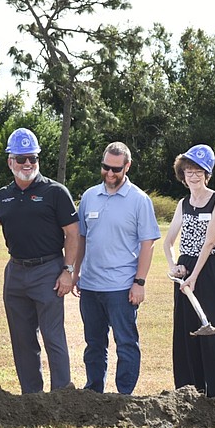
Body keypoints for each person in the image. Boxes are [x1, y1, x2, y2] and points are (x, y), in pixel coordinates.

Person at [0, 128, 77, 394]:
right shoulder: (3, 195)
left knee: (52, 336)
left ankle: (61, 396)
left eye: (32, 158)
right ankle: (31, 397)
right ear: (10, 161)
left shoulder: (55, 192)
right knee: (22, 340)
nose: (27, 164)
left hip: (49, 270)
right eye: (21, 159)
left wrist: (68, 271)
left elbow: (72, 234)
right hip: (16, 272)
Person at [73, 142, 160, 395]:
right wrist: (76, 273)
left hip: (122, 288)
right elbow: (81, 239)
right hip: (90, 287)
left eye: (116, 169)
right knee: (94, 344)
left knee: (125, 343)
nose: (110, 174)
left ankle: (124, 396)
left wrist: (139, 282)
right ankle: (93, 392)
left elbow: (148, 244)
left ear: (127, 166)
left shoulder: (139, 200)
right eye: (105, 168)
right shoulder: (89, 197)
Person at [163, 144, 215, 397]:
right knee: (187, 330)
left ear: (207, 174)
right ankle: (188, 391)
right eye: (188, 170)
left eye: (199, 171)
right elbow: (168, 241)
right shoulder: (183, 203)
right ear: (182, 173)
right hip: (187, 269)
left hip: (212, 268)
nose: (193, 175)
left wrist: (194, 277)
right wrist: (175, 266)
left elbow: (211, 241)